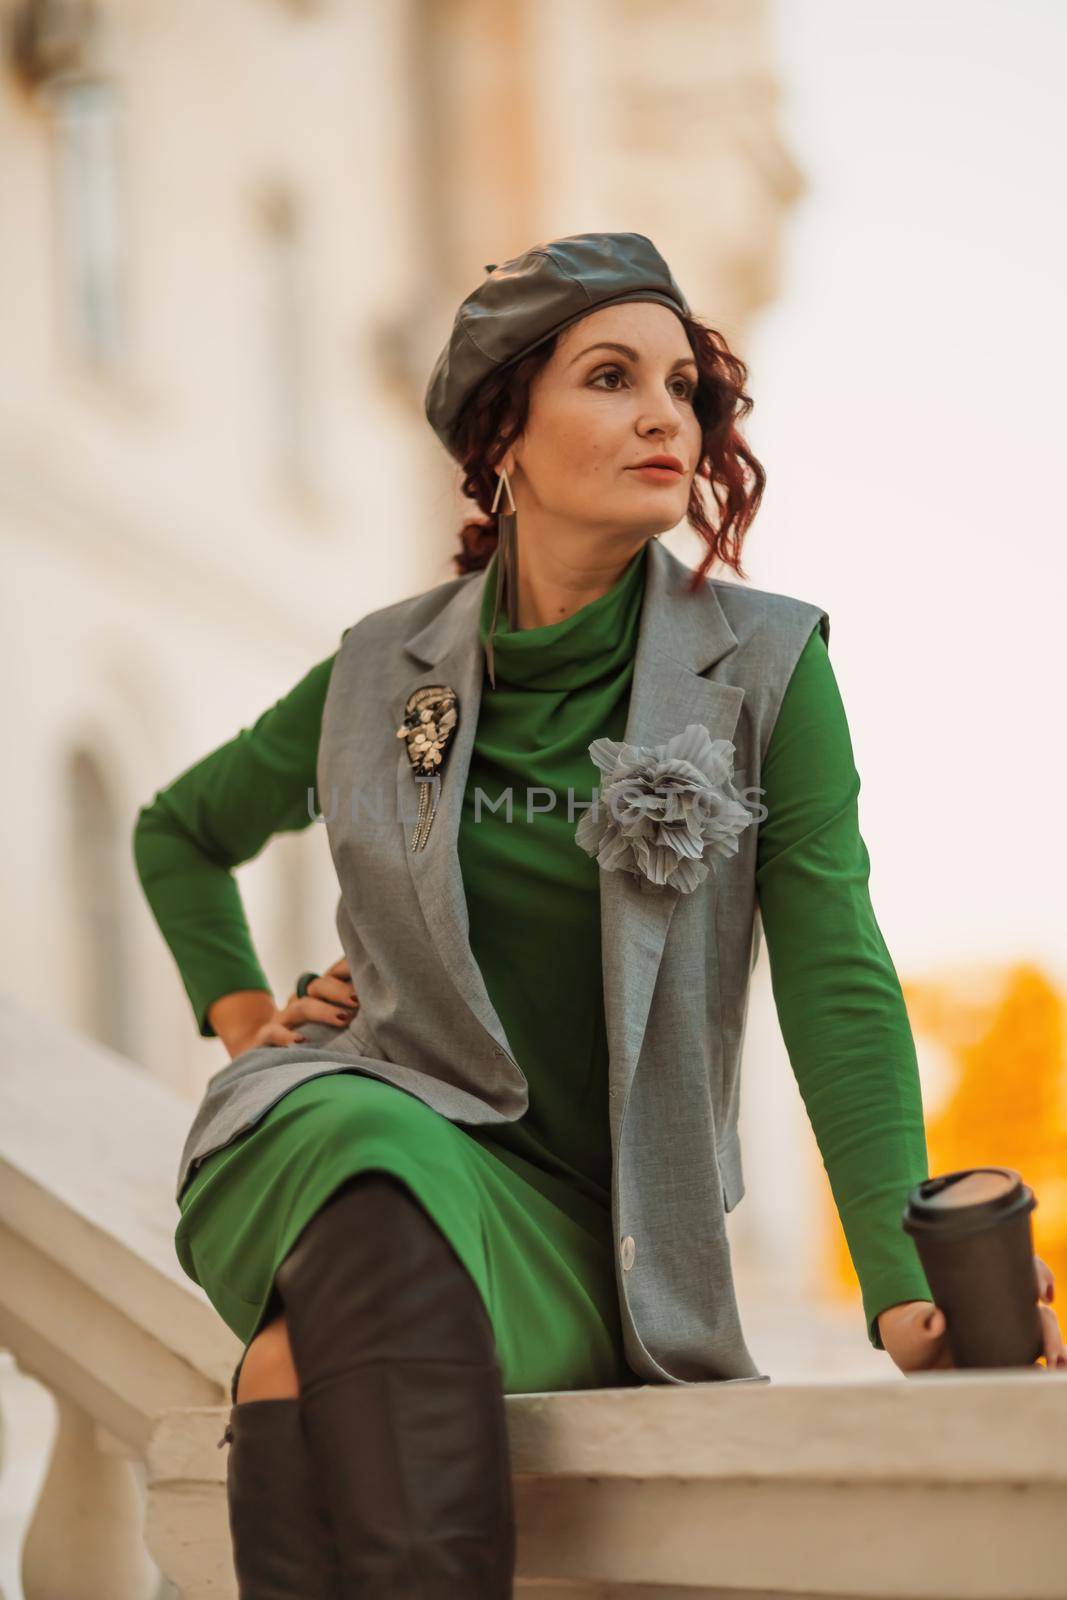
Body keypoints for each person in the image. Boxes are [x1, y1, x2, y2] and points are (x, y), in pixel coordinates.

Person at [133, 233, 1063, 1598]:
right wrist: (246, 1023)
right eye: (611, 377)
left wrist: (894, 1275)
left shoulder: (767, 666)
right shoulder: (376, 669)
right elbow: (179, 834)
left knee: (288, 1368)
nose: (662, 417)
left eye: (683, 387)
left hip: (599, 1238)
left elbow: (838, 973)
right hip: (358, 1149)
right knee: (350, 1117)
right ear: (502, 431)